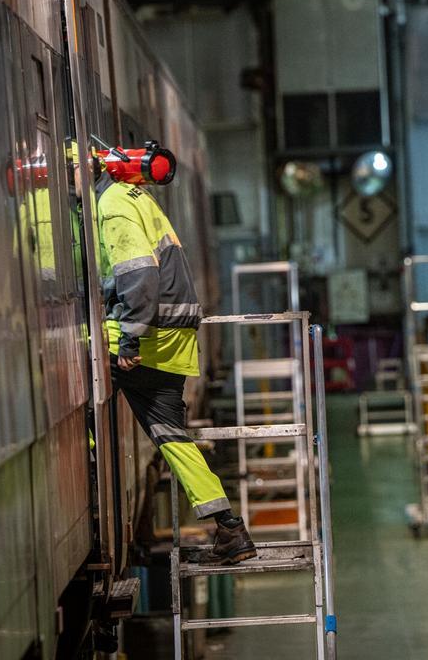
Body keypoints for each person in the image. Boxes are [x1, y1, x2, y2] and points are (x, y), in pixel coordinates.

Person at [94, 155, 257, 565]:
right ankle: (229, 528)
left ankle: (89, 477)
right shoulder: (135, 196)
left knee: (83, 390)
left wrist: (129, 340)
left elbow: (139, 276)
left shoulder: (111, 204)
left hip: (151, 337)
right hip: (174, 337)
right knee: (171, 435)